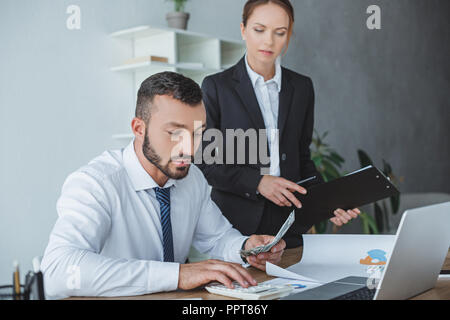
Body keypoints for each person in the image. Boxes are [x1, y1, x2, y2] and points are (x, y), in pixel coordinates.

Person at [40, 72, 285, 299]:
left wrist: (247, 248)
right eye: (174, 133)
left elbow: (217, 238)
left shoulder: (193, 179)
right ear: (139, 128)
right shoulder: (95, 184)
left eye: (197, 133)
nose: (189, 148)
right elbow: (58, 270)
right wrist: (178, 274)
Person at [198, 0, 361, 249]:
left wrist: (329, 204)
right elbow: (206, 162)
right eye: (259, 29)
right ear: (243, 29)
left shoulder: (302, 87)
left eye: (280, 32)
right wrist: (258, 182)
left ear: (289, 35)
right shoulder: (216, 87)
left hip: (290, 225)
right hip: (234, 228)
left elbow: (302, 159)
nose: (269, 41)